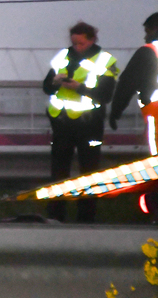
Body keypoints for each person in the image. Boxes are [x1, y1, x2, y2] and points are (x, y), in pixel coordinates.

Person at [42, 21, 118, 222]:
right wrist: (54, 82)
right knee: (58, 173)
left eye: (81, 43)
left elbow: (105, 95)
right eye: (74, 43)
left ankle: (86, 220)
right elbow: (46, 87)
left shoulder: (105, 61)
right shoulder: (62, 56)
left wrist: (80, 88)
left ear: (92, 40)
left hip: (90, 125)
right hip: (62, 124)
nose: (77, 47)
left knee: (89, 174)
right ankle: (56, 218)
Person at [108, 12, 158, 157]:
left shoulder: (149, 52)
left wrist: (116, 111)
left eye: (147, 32)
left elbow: (127, 84)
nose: (145, 37)